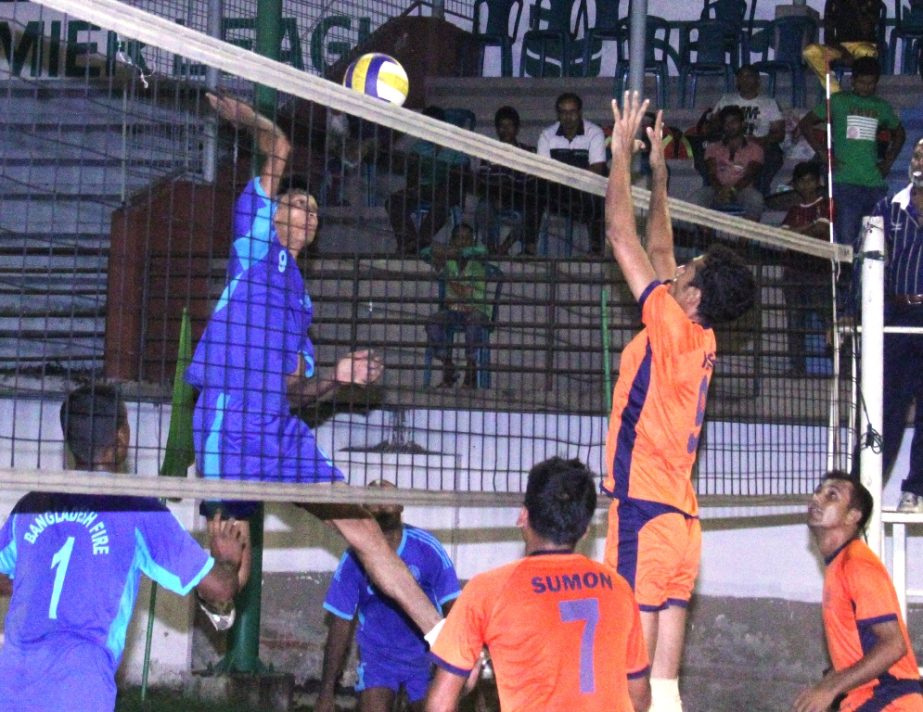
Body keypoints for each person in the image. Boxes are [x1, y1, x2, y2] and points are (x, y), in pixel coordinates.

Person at [186, 94, 443, 638]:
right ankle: (220, 598)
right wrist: (248, 118)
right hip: (229, 421)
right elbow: (277, 144)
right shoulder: (254, 244)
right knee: (229, 559)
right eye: (296, 203)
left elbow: (299, 392)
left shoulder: (302, 305)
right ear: (273, 211)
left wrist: (340, 378)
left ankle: (441, 632)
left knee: (361, 525)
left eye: (314, 210)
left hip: (281, 431)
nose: (306, 212)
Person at [604, 91, 756, 712]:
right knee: (665, 687)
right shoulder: (701, 333)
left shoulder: (671, 328)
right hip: (682, 522)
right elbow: (661, 251)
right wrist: (660, 178)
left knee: (631, 679)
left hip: (643, 508)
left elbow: (621, 234)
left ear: (689, 299)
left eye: (689, 273)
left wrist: (618, 155)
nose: (681, 269)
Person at [0, 384, 245, 712]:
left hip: (11, 680)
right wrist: (226, 559)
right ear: (122, 437)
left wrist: (34, 586)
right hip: (79, 685)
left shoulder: (31, 505)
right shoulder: (137, 510)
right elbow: (220, 588)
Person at [426, 457, 651, 712]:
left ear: (523, 515)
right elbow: (640, 698)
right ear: (585, 529)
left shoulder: (487, 590)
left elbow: (439, 706)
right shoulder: (618, 589)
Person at [317, 481, 461, 712]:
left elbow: (454, 609)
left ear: (401, 505)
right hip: (379, 660)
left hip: (426, 659)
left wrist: (457, 668)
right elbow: (340, 624)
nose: (381, 498)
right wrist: (325, 693)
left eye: (388, 492)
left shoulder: (427, 548)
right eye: (374, 493)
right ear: (364, 508)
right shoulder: (353, 559)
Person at [793, 472, 923, 712]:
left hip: (890, 700)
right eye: (818, 491)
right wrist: (829, 682)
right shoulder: (839, 565)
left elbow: (894, 645)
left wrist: (830, 688)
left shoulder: (858, 565)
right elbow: (858, 648)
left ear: (853, 516)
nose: (817, 498)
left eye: (831, 495)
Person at [867, 137, 923, 513]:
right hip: (898, 317)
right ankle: (866, 490)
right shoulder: (888, 208)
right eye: (918, 154)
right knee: (887, 407)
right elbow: (867, 264)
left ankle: (915, 490)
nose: (920, 161)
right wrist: (857, 313)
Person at [797, 57, 904, 253]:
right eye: (862, 82)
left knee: (875, 243)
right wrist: (822, 153)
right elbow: (805, 123)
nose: (866, 87)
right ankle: (848, 281)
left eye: (871, 83)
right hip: (844, 181)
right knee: (847, 241)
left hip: (874, 183)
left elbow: (900, 133)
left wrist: (888, 162)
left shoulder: (881, 106)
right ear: (852, 81)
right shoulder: (838, 101)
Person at [385, 105, 470, 255]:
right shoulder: (420, 146)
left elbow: (461, 174)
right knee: (394, 201)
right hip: (424, 189)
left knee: (444, 197)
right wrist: (414, 185)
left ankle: (419, 243)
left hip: (446, 191)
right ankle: (409, 242)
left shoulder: (456, 147)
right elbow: (412, 172)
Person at [779, 161, 833, 376]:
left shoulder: (826, 204)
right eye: (801, 181)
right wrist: (808, 230)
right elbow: (784, 236)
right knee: (794, 320)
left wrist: (796, 233)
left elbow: (822, 229)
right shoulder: (793, 210)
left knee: (828, 320)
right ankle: (797, 367)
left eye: (810, 180)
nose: (805, 185)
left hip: (819, 271)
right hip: (793, 271)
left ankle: (843, 366)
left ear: (817, 182)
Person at [423, 223, 492, 388]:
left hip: (477, 311)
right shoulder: (449, 262)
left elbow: (483, 251)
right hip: (453, 311)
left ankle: (471, 370)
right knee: (433, 321)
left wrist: (458, 252)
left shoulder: (478, 259)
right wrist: (447, 253)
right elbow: (425, 253)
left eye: (468, 239)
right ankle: (448, 366)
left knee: (474, 323)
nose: (464, 242)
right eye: (459, 238)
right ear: (452, 241)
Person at [537, 92, 607, 254]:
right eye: (563, 112)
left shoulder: (594, 133)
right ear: (558, 114)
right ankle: (530, 248)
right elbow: (543, 170)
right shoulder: (547, 135)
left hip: (584, 191)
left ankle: (596, 248)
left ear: (580, 112)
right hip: (556, 191)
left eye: (572, 112)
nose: (568, 117)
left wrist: (570, 179)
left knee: (596, 196)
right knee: (532, 196)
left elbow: (597, 169)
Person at [709, 65, 786, 196]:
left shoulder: (768, 102)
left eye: (749, 76)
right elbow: (712, 126)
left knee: (773, 155)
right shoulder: (727, 100)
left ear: (758, 80)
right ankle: (717, 192)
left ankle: (759, 193)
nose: (744, 80)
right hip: (730, 144)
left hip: (758, 144)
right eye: (741, 77)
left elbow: (779, 134)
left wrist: (760, 140)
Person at [473, 105, 537, 255]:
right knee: (483, 207)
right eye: (502, 126)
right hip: (493, 194)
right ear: (497, 129)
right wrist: (496, 194)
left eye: (509, 126)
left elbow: (531, 181)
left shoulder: (528, 152)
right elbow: (483, 180)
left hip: (520, 195)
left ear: (516, 128)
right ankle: (491, 247)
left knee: (532, 210)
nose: (506, 130)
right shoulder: (490, 152)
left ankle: (504, 248)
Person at [693, 104, 765, 221]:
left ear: (742, 124)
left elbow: (749, 175)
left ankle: (744, 239)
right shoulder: (713, 148)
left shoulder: (755, 149)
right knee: (696, 200)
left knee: (756, 200)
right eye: (726, 123)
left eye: (734, 122)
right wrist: (721, 191)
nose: (729, 126)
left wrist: (732, 191)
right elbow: (711, 173)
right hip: (716, 188)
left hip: (743, 190)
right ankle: (709, 238)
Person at [802, 0, 884, 94]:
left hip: (864, 45)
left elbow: (867, 30)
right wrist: (844, 52)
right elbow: (829, 34)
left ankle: (860, 92)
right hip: (840, 47)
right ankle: (836, 92)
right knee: (810, 51)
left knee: (867, 53)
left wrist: (857, 6)